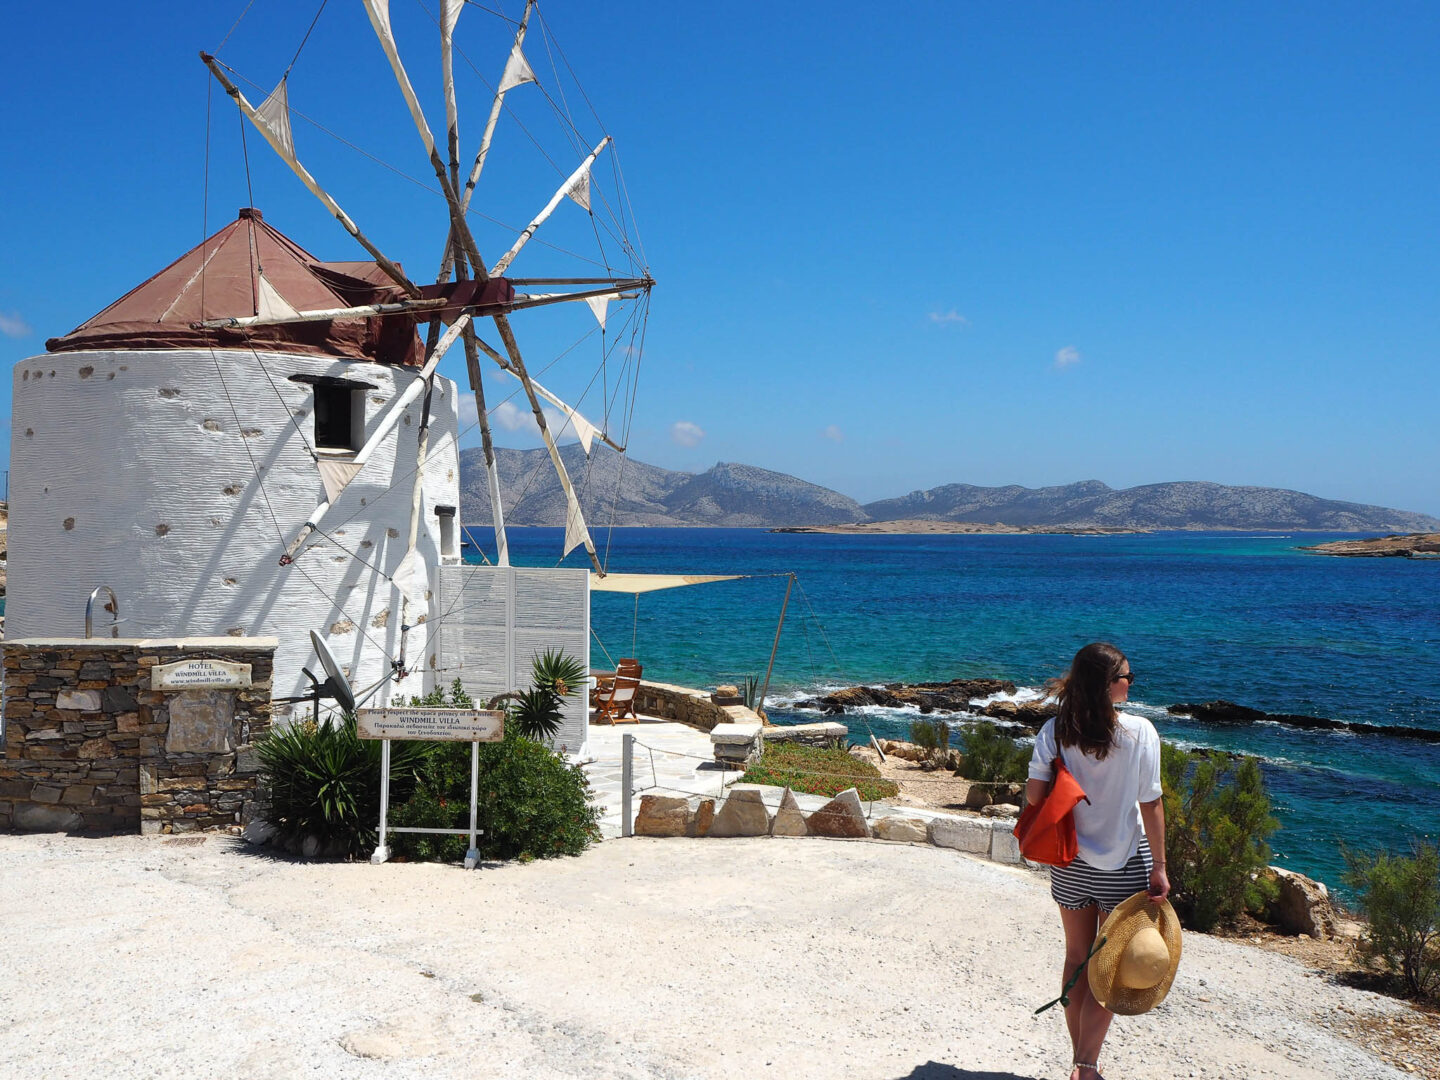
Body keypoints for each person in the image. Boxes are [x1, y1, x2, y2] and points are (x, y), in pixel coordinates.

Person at [1025, 642, 1168, 1080]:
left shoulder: (1054, 731)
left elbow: (1034, 796)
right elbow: (1151, 804)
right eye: (1127, 677)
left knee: (1076, 960)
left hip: (1069, 861)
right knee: (1109, 968)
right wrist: (1160, 867)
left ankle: (1081, 1062)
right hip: (1124, 864)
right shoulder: (1140, 732)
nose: (1131, 682)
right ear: (1107, 685)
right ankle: (1086, 1066)